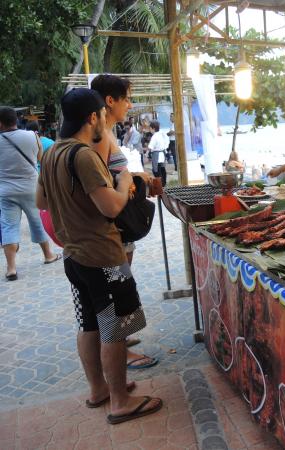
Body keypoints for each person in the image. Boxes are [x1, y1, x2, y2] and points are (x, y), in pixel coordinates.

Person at [36, 88, 162, 424]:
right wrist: (123, 180)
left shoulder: (51, 154)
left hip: (73, 257)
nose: (104, 123)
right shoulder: (84, 155)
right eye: (102, 117)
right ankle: (120, 401)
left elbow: (41, 202)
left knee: (89, 324)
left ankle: (99, 390)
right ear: (93, 117)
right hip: (103, 256)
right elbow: (111, 205)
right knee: (116, 328)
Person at [90, 74, 158, 370]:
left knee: (120, 285)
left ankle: (122, 341)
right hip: (111, 225)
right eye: (127, 98)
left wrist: (136, 178)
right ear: (110, 101)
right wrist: (131, 180)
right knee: (117, 291)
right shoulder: (98, 135)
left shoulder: (106, 133)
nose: (129, 105)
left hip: (115, 224)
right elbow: (106, 181)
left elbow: (116, 175)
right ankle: (121, 354)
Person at [0, 107, 60, 281]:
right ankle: (48, 255)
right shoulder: (32, 136)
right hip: (30, 187)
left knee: (8, 226)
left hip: (5, 191)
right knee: (36, 221)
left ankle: (11, 268)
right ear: (16, 120)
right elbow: (41, 159)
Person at [148, 120, 169, 186]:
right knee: (162, 169)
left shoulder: (154, 136)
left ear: (153, 128)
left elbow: (150, 147)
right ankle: (164, 184)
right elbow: (167, 142)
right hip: (162, 154)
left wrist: (145, 152)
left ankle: (160, 186)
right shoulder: (161, 134)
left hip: (157, 155)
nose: (150, 130)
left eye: (150, 128)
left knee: (156, 171)